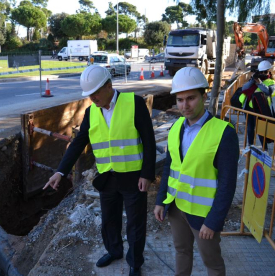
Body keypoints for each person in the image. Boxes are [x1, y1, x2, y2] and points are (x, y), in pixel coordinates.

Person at [43, 65, 156, 276]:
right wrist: (60, 171)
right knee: (109, 220)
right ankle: (114, 251)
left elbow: (149, 141)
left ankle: (135, 263)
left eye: (96, 92)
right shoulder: (90, 112)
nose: (92, 98)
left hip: (133, 177)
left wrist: (147, 174)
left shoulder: (134, 103)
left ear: (109, 85)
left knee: (135, 223)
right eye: (89, 94)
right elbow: (78, 144)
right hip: (107, 177)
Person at [154, 67, 239, 276]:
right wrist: (160, 200)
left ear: (204, 95)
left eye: (191, 98)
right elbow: (170, 168)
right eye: (180, 100)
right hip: (176, 208)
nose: (185, 105)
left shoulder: (223, 133)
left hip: (204, 215)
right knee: (181, 252)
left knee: (212, 263)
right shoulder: (175, 128)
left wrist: (214, 221)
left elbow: (227, 184)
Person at [239, 60, 275, 150]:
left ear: (269, 71)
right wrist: (252, 80)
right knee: (250, 128)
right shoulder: (254, 80)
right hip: (250, 108)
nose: (263, 73)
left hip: (261, 110)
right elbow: (244, 88)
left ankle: (264, 149)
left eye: (265, 72)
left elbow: (268, 91)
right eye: (261, 72)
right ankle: (250, 146)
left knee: (261, 130)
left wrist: (260, 83)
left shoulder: (271, 82)